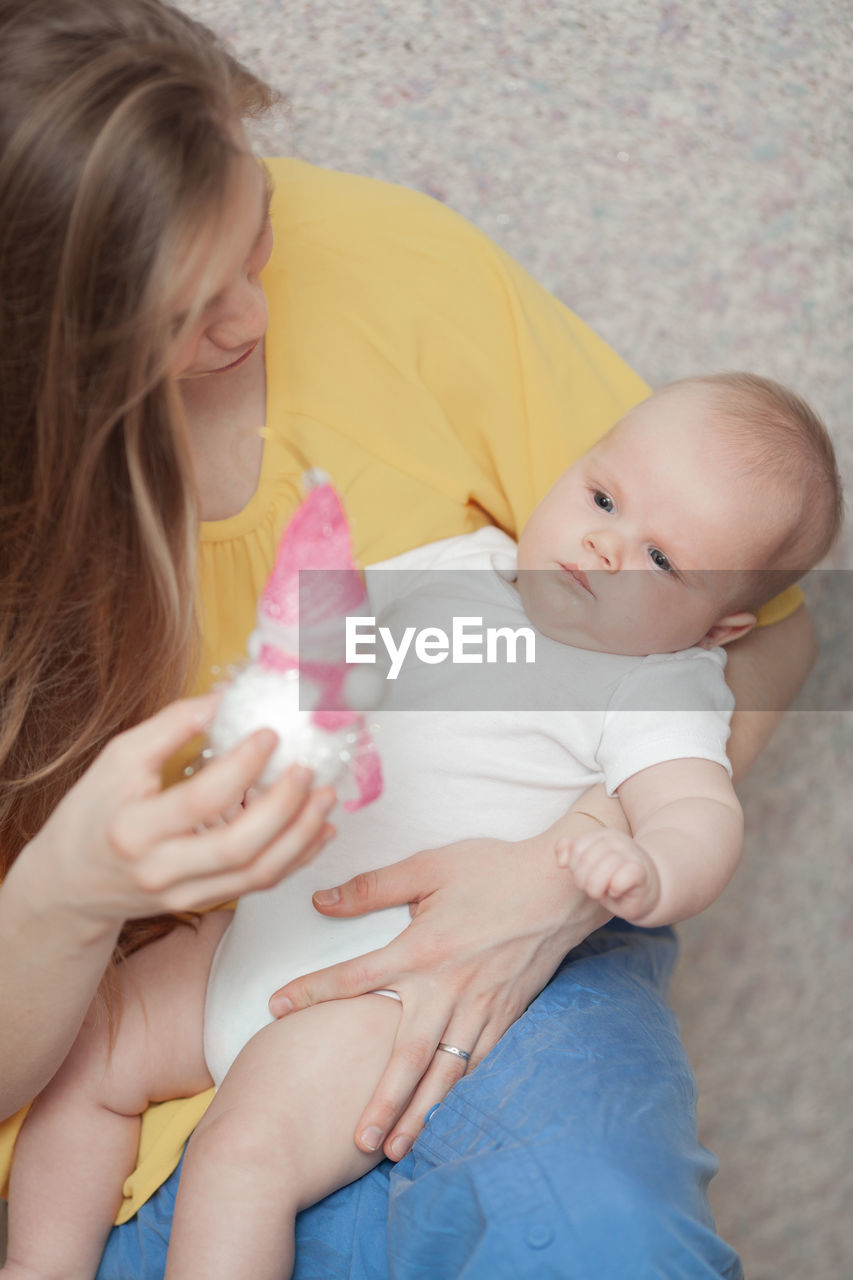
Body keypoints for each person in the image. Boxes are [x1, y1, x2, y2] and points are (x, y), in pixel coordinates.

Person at [0, 2, 822, 1277]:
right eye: (184, 317)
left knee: (251, 1164)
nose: (252, 321)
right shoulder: (461, 572)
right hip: (236, 940)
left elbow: (709, 756)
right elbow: (322, 649)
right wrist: (76, 884)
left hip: (386, 977)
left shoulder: (656, 668)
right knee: (83, 1089)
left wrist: (587, 865)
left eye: (255, 231)